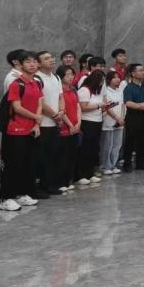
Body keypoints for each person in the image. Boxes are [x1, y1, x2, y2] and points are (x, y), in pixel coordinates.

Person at [0, 51, 43, 211]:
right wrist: (36, 117)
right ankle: (6, 198)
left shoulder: (36, 83)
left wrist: (36, 124)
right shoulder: (16, 84)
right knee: (12, 164)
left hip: (30, 130)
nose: (32, 64)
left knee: (26, 164)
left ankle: (21, 194)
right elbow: (17, 107)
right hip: (15, 130)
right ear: (20, 64)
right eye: (28, 62)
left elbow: (39, 102)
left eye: (34, 61)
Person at [35, 50, 64, 198]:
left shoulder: (56, 77)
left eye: (52, 57)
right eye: (46, 59)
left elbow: (60, 97)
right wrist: (55, 115)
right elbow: (40, 102)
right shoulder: (37, 78)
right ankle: (39, 186)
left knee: (53, 156)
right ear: (38, 63)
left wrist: (62, 112)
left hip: (55, 123)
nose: (51, 60)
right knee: (40, 157)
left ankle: (49, 185)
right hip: (42, 124)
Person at [75, 69, 107, 185]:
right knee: (85, 149)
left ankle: (90, 173)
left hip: (97, 121)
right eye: (100, 81)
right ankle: (81, 175)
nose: (101, 83)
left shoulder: (96, 92)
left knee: (93, 149)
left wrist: (104, 106)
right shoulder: (84, 90)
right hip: (87, 122)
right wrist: (98, 105)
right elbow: (83, 107)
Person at [122, 63, 144, 172]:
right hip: (133, 117)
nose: (143, 72)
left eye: (143, 70)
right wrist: (143, 106)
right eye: (140, 70)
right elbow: (128, 103)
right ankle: (127, 164)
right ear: (133, 73)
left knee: (143, 141)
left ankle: (140, 163)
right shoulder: (129, 87)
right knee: (130, 141)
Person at [55, 65, 81, 193]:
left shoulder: (73, 90)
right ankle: (60, 182)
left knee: (72, 155)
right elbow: (61, 110)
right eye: (68, 74)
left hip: (76, 126)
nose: (71, 77)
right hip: (65, 127)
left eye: (72, 74)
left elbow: (78, 107)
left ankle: (68, 180)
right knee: (62, 156)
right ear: (61, 76)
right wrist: (70, 125)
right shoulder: (58, 91)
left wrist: (79, 123)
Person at [100, 70, 125, 175]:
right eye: (114, 77)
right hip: (109, 120)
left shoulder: (120, 91)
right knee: (107, 145)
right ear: (109, 80)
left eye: (118, 77)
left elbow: (122, 105)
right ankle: (106, 166)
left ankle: (114, 165)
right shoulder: (106, 91)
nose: (117, 79)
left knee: (117, 145)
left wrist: (122, 118)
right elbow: (107, 107)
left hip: (120, 121)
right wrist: (116, 117)